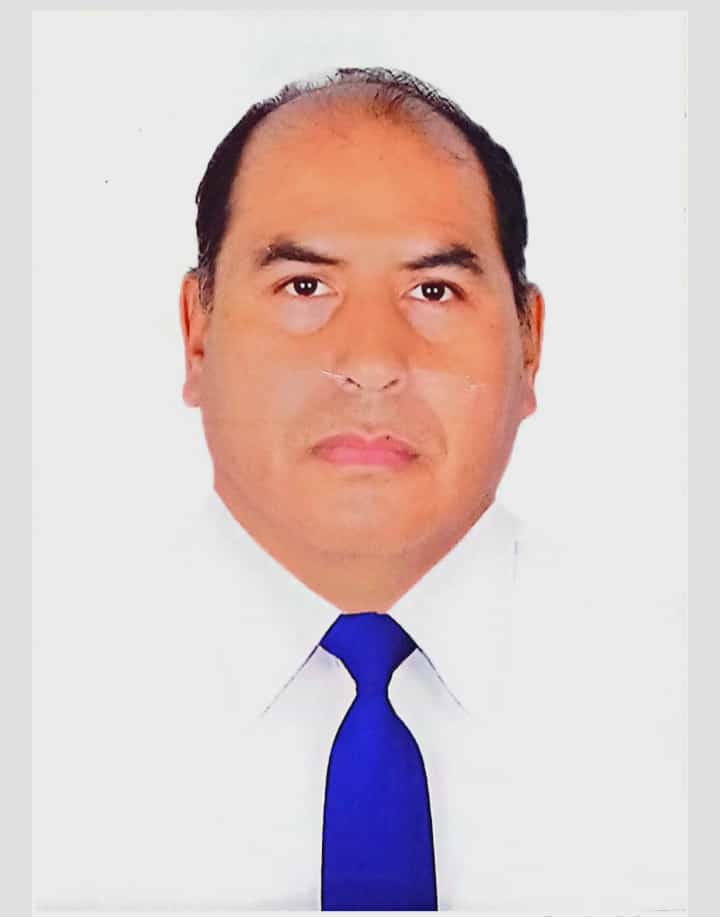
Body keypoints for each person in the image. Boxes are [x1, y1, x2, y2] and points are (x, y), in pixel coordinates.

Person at [33, 68, 686, 915]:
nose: (373, 361)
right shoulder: (39, 708)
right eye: (305, 287)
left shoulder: (682, 699)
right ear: (197, 333)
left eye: (433, 290)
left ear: (529, 344)